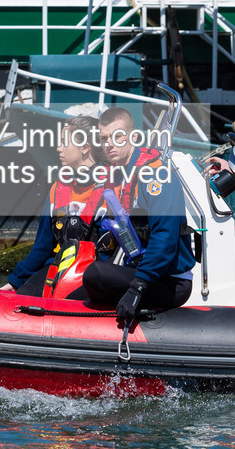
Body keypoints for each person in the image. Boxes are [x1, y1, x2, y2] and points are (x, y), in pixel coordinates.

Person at [81, 106, 195, 328]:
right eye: (104, 139)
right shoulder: (120, 177)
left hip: (170, 281)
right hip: (140, 271)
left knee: (94, 275)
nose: (109, 144)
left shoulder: (155, 175)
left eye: (116, 137)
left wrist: (137, 288)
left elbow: (165, 237)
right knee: (87, 277)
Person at [0, 121, 100, 297]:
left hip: (94, 274)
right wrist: (16, 280)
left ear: (84, 148)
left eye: (64, 143)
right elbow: (43, 245)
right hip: (59, 270)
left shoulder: (111, 189)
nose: (58, 148)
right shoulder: (58, 189)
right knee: (25, 293)